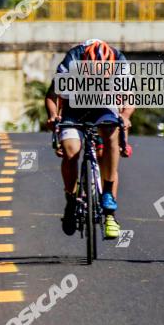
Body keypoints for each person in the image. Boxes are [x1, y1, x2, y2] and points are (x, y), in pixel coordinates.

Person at [44, 39, 134, 239]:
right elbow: (52, 96)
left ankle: (109, 208)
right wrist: (52, 117)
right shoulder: (71, 62)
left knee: (110, 136)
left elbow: (129, 97)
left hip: (103, 107)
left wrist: (125, 117)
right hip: (74, 108)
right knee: (71, 152)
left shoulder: (119, 61)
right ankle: (71, 199)